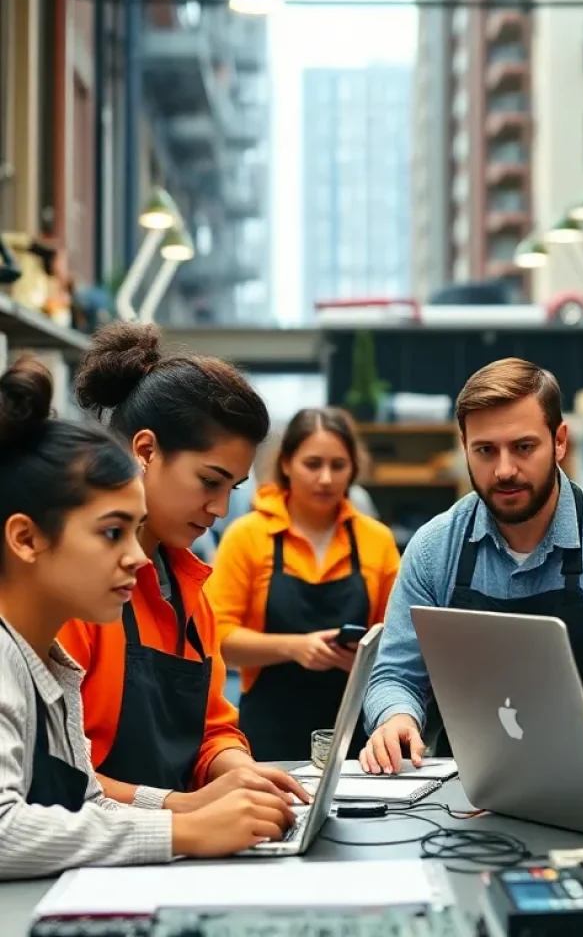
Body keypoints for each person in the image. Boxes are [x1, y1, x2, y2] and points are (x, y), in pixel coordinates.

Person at [0, 358, 292, 879]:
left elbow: (85, 796)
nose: (221, 509)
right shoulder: (33, 636)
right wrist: (188, 825)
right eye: (113, 532)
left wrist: (230, 788)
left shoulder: (60, 664)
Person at [360, 357, 583, 775]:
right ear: (464, 447)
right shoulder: (434, 548)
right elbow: (393, 676)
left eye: (523, 447)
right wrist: (395, 717)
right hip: (467, 786)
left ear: (559, 441)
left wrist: (537, 747)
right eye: (485, 450)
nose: (505, 470)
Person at [59, 322, 307, 811]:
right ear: (146, 451)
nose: (218, 509)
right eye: (209, 481)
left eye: (231, 489)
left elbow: (213, 728)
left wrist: (244, 773)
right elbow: (58, 776)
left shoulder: (188, 589)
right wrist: (182, 808)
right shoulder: (71, 589)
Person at [207, 407, 400, 760]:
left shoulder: (377, 540)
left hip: (357, 734)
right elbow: (217, 638)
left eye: (338, 465)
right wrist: (297, 647)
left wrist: (364, 657)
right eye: (312, 464)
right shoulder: (248, 536)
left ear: (353, 469)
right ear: (286, 464)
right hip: (268, 732)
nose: (326, 478)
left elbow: (398, 640)